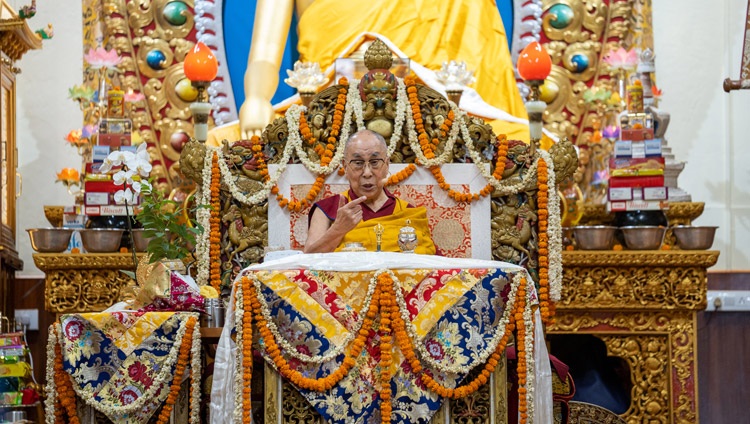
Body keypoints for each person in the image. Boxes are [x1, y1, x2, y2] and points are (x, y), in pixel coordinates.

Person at [207, 0, 546, 146]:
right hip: (327, 109)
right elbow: (265, 51)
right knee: (219, 145)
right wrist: (255, 97)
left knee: (520, 141)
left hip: (437, 115)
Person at [304, 129, 436, 254]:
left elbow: (429, 261)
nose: (367, 173)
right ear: (345, 167)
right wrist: (338, 229)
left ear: (386, 164)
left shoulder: (407, 214)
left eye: (375, 162)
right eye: (358, 162)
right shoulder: (328, 209)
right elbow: (308, 259)